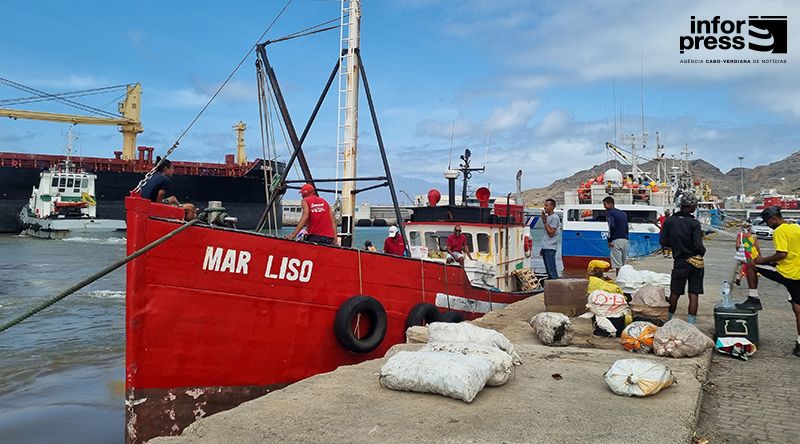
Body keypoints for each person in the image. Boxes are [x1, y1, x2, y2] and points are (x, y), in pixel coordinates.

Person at [736, 207, 800, 357]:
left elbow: (782, 254)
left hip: (785, 271)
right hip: (798, 273)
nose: (768, 225)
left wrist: (763, 260)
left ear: (774, 218)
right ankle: (799, 343)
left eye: (768, 222)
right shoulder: (796, 228)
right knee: (798, 309)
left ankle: (753, 298)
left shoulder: (779, 231)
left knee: (752, 264)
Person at [660, 192, 706, 324]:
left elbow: (663, 241)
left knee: (675, 292)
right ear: (692, 207)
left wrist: (675, 246)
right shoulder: (694, 223)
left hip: (680, 261)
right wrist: (702, 252)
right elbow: (698, 245)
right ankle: (691, 323)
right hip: (696, 262)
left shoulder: (669, 221)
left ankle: (668, 320)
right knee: (693, 294)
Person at [603, 196, 629, 273]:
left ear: (610, 204)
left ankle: (619, 279)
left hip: (616, 240)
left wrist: (609, 240)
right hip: (625, 240)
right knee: (624, 263)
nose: (604, 207)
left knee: (618, 265)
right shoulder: (623, 213)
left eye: (605, 204)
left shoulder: (609, 213)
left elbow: (611, 226)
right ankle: (625, 278)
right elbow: (626, 227)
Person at [540, 198, 561, 279]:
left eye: (547, 206)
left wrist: (544, 221)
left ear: (552, 207)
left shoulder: (554, 218)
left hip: (550, 248)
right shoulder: (549, 217)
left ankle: (556, 287)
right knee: (549, 270)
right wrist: (542, 248)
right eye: (544, 205)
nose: (545, 207)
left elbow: (551, 233)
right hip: (546, 247)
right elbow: (546, 235)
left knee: (551, 271)